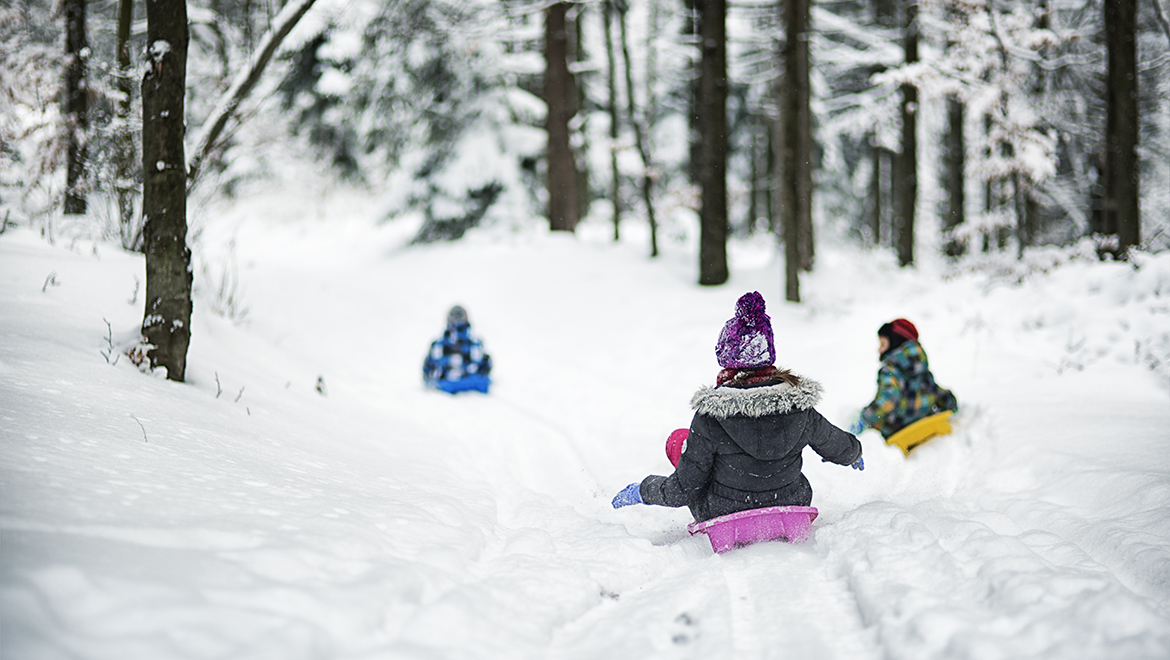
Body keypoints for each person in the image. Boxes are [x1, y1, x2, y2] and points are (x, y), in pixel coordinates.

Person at [611, 292, 863, 522]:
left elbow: (683, 491)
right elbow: (836, 443)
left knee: (679, 441)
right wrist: (854, 453)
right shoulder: (799, 407)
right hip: (790, 502)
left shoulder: (712, 416)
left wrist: (644, 490)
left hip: (724, 512)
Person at [849, 318, 958, 438]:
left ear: (895, 343)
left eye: (883, 344)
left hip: (896, 430)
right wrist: (950, 403)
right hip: (924, 422)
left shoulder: (890, 370)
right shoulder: (921, 367)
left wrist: (864, 418)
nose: (879, 349)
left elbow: (888, 401)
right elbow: (933, 389)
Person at [423, 305, 492, 394]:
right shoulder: (475, 343)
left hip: (446, 386)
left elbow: (429, 371)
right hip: (474, 385)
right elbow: (484, 366)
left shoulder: (438, 345)